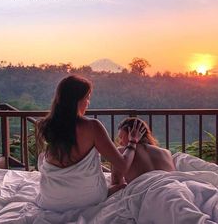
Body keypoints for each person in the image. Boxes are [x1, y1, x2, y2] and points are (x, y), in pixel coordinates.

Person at [36, 75, 145, 212]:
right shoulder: (92, 127)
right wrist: (132, 142)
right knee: (123, 187)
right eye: (87, 97)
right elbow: (122, 165)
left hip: (50, 200)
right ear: (77, 100)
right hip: (87, 199)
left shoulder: (47, 125)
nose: (88, 102)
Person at [111, 117, 176, 185]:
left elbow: (116, 183)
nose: (120, 142)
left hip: (149, 192)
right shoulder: (166, 152)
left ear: (132, 134)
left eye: (121, 137)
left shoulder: (121, 151)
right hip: (173, 187)